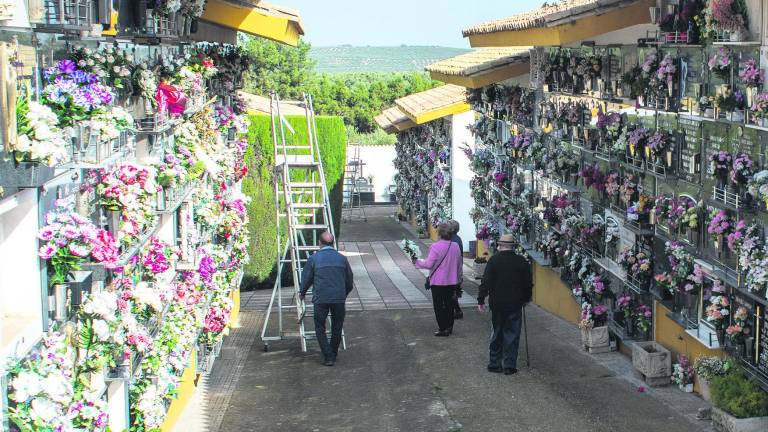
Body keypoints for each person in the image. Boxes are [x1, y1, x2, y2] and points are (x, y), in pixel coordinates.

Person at [477, 234, 532, 375]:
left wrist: (481, 300)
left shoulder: (494, 261)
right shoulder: (522, 261)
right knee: (512, 333)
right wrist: (526, 299)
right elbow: (527, 284)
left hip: (497, 303)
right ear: (513, 246)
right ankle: (509, 365)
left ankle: (495, 363)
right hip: (515, 303)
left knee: (497, 332)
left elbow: (486, 282)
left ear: (499, 245)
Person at [299, 231, 354, 366]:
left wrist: (302, 292)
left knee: (319, 327)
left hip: (321, 298)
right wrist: (343, 294)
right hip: (338, 299)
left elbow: (306, 279)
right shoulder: (342, 259)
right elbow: (349, 281)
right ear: (333, 243)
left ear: (319, 243)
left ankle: (328, 355)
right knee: (337, 325)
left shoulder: (314, 259)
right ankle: (333, 354)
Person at [413, 223, 463, 336]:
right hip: (451, 281)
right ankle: (449, 327)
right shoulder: (455, 246)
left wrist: (417, 262)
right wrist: (459, 278)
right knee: (449, 304)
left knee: (439, 305)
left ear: (439, 233)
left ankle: (443, 328)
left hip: (438, 282)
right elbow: (459, 264)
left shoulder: (435, 247)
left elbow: (429, 264)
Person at [447, 220, 464, 320]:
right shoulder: (457, 239)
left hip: (453, 268)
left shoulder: (454, 241)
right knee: (453, 291)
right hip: (455, 268)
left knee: (451, 291)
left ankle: (457, 310)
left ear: (452, 229)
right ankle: (457, 310)